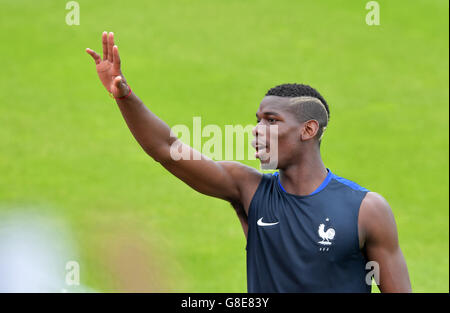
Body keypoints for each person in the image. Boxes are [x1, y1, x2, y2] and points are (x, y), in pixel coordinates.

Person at [86, 31, 412, 293]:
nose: (257, 131)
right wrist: (125, 97)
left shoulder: (366, 209)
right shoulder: (247, 189)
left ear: (308, 130)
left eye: (271, 121)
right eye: (257, 121)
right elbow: (166, 148)